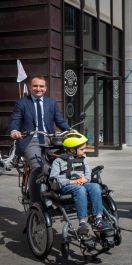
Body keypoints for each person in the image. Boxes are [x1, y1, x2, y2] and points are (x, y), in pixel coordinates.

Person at [9, 75, 71, 203]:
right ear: (30, 87)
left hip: (49, 140)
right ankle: (35, 203)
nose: (38, 89)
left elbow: (60, 121)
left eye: (41, 86)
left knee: (63, 164)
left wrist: (70, 130)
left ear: (46, 88)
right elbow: (15, 120)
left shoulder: (51, 103)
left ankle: (57, 194)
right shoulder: (22, 103)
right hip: (30, 140)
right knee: (38, 168)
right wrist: (14, 131)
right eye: (35, 86)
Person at [50, 132, 108, 235]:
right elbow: (54, 178)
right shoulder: (58, 161)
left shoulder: (83, 159)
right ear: (72, 150)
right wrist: (72, 181)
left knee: (95, 186)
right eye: (82, 149)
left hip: (82, 182)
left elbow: (88, 173)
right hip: (67, 186)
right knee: (80, 189)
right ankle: (82, 222)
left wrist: (85, 179)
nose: (84, 151)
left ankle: (98, 218)